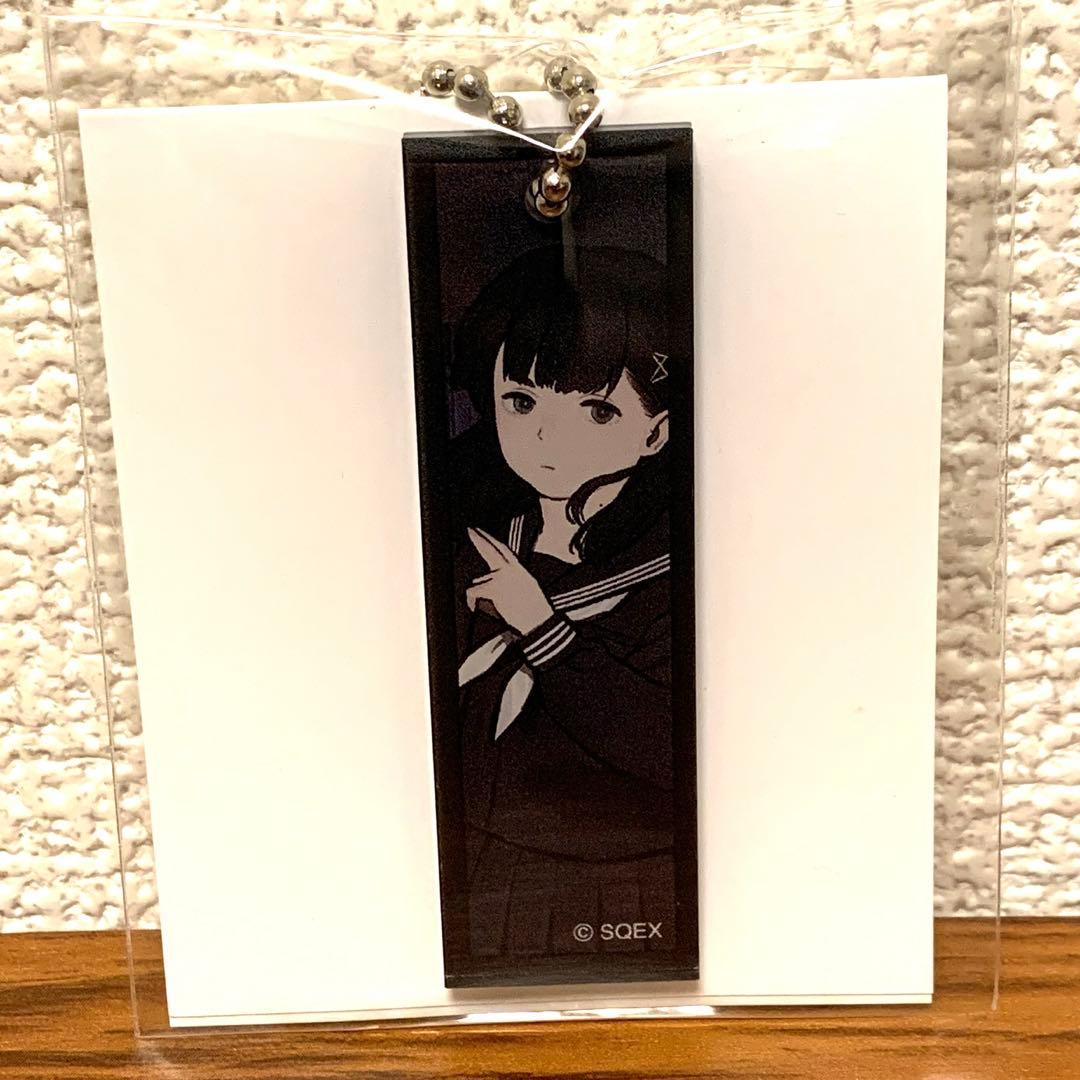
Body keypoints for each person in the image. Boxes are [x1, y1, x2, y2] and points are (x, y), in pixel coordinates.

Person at [441, 244, 683, 980]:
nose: (547, 437)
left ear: (655, 431)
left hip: (623, 879)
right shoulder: (475, 530)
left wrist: (543, 629)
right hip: (478, 866)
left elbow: (666, 742)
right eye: (521, 402)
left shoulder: (674, 562)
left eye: (598, 411)